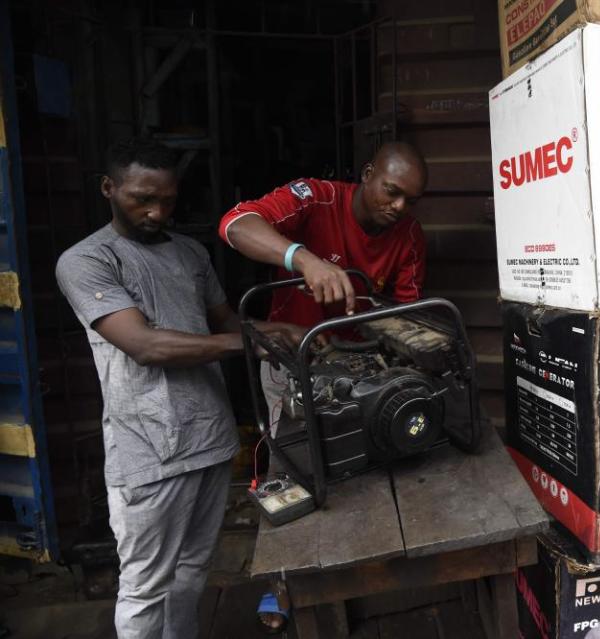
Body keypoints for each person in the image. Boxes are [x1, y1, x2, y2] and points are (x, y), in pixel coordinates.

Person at [56, 138, 300, 639]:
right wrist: (245, 344)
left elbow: (227, 323)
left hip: (208, 438)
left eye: (167, 200)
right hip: (148, 449)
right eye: (142, 198)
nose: (156, 211)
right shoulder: (86, 261)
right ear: (108, 188)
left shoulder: (190, 253)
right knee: (146, 586)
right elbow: (144, 345)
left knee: (192, 570)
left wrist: (272, 333)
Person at [218, 141, 428, 632]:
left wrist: (378, 320)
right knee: (292, 474)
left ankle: (355, 570)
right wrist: (304, 259)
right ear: (368, 172)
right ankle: (286, 585)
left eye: (410, 201)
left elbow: (407, 311)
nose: (398, 208)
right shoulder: (316, 198)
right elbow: (234, 223)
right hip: (290, 365)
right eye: (391, 192)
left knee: (358, 472)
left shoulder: (409, 236)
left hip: (358, 373)